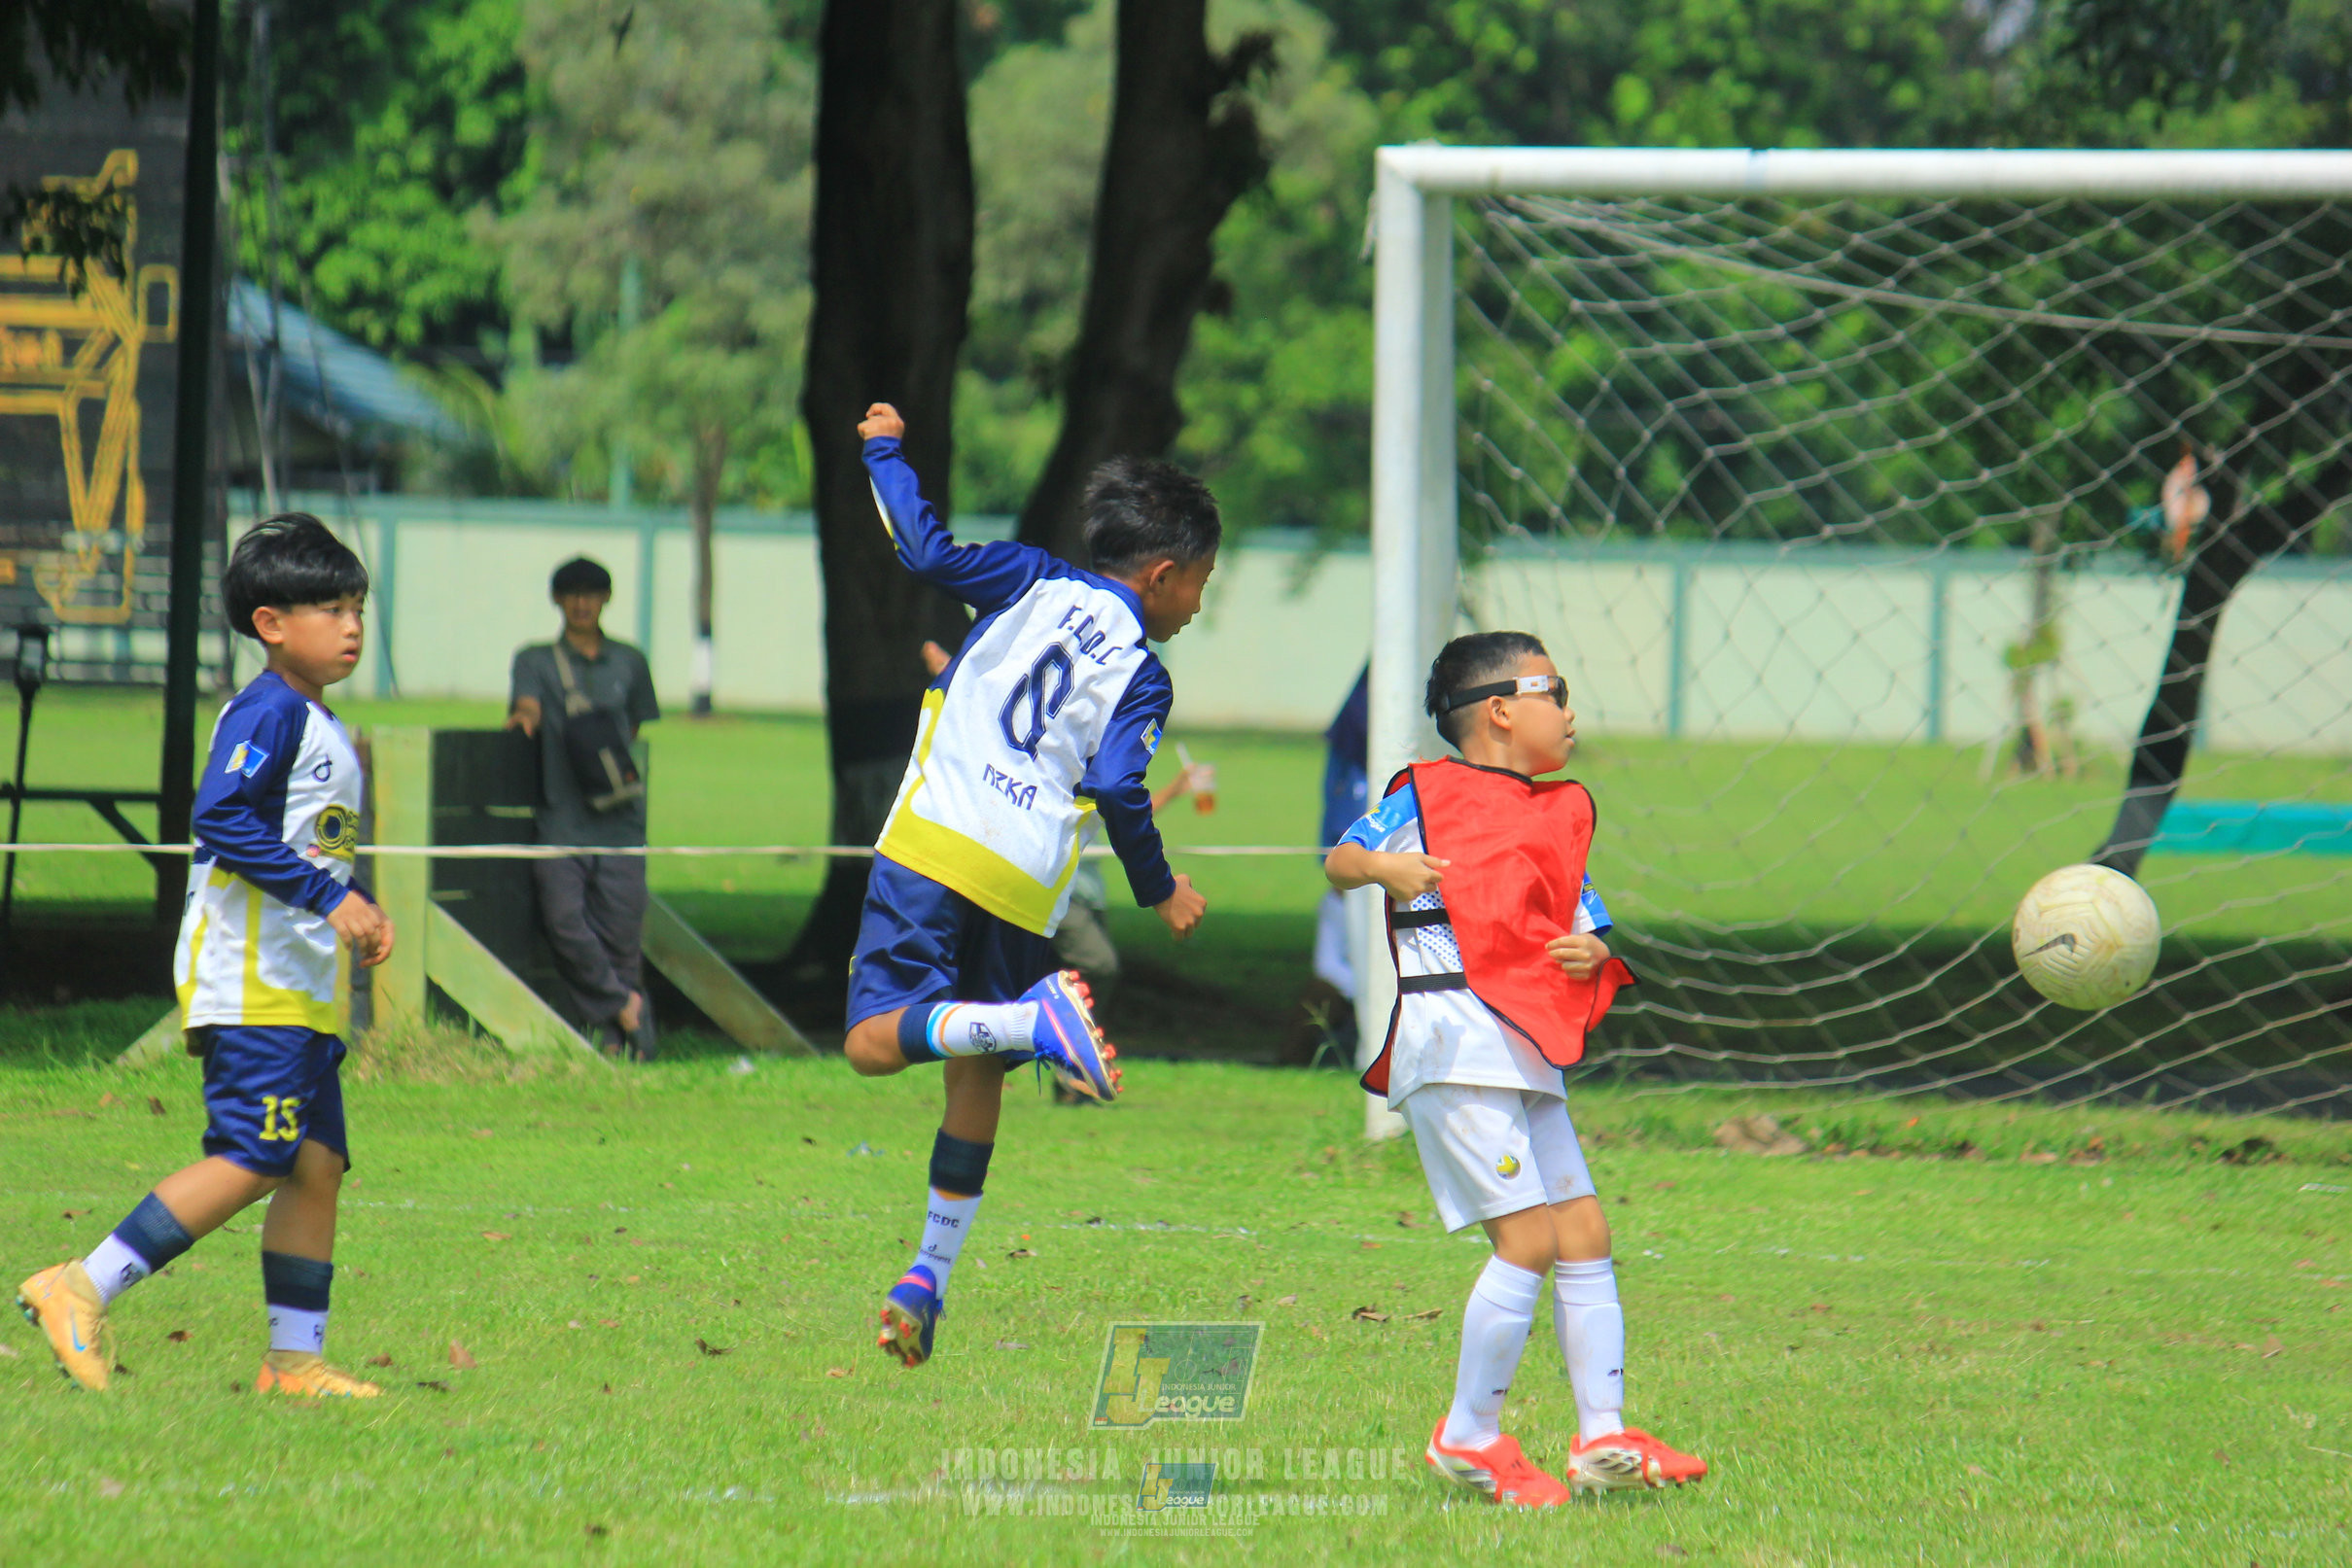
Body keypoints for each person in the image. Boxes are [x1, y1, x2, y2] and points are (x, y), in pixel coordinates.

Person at [844, 401, 1212, 1369]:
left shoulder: (1028, 578)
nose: (1199, 607)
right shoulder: (1142, 668)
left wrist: (886, 449)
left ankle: (1028, 1023)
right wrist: (1158, 884)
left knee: (869, 1044)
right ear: (1164, 573)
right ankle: (926, 1274)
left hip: (935, 844)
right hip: (1022, 880)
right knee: (974, 1074)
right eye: (1202, 585)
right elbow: (1116, 783)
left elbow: (922, 553)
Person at [16, 514, 395, 1397]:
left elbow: (305, 839)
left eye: (357, 607)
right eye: (330, 608)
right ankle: (78, 1285)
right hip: (252, 981)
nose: (351, 625)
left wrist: (352, 907)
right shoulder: (267, 709)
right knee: (254, 1155)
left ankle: (293, 1363)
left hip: (298, 988)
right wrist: (332, 897)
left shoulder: (313, 717)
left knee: (315, 1163)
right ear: (270, 623)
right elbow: (221, 818)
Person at [1324, 630, 1706, 1505]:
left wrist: (1585, 949)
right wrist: (1386, 866)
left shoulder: (1555, 812)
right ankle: (1467, 1437)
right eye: (1555, 691)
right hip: (1456, 1047)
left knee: (1583, 1232)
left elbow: (1583, 918)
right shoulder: (1424, 795)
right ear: (1499, 709)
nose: (1570, 713)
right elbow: (1340, 861)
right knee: (1528, 1240)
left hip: (1525, 1048)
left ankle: (1602, 1436)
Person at [507, 556, 661, 1058]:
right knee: (566, 924)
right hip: (559, 816)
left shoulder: (630, 662)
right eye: (571, 593)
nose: (580, 603)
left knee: (621, 938)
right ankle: (624, 1008)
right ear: (557, 600)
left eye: (591, 594)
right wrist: (524, 719)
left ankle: (622, 1046)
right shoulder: (533, 660)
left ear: (606, 599)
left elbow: (636, 729)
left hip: (621, 822)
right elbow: (526, 705)